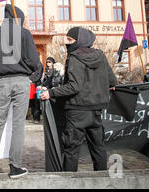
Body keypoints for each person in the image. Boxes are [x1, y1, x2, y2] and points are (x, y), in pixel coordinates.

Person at [0, 4, 40, 179]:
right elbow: (34, 61)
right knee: (18, 126)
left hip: (2, 82)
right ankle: (15, 168)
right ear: (19, 18)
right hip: (21, 81)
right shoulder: (24, 33)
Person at [40, 27, 117, 172]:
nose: (66, 42)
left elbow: (73, 86)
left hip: (77, 111)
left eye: (70, 39)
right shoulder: (101, 55)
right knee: (98, 148)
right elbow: (112, 80)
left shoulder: (75, 57)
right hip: (96, 110)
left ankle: (71, 183)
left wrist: (51, 92)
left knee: (71, 150)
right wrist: (107, 86)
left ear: (79, 40)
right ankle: (101, 181)